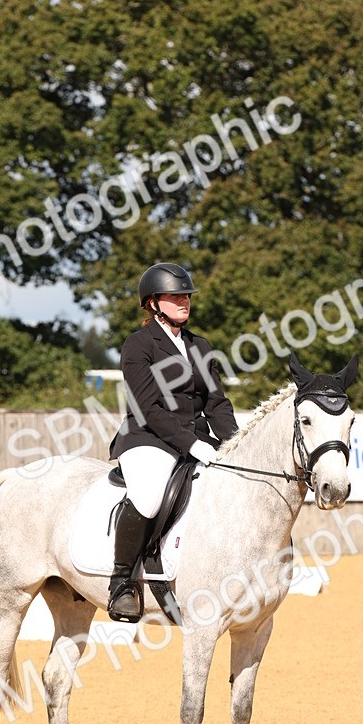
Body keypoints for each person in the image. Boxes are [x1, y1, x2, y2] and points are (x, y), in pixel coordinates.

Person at [107, 262, 239, 621]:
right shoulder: (139, 345)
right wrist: (191, 443)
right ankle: (122, 584)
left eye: (187, 296)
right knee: (149, 494)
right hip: (147, 438)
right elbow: (147, 407)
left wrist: (235, 443)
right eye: (175, 295)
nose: (184, 301)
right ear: (152, 302)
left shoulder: (200, 345)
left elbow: (216, 403)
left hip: (195, 437)